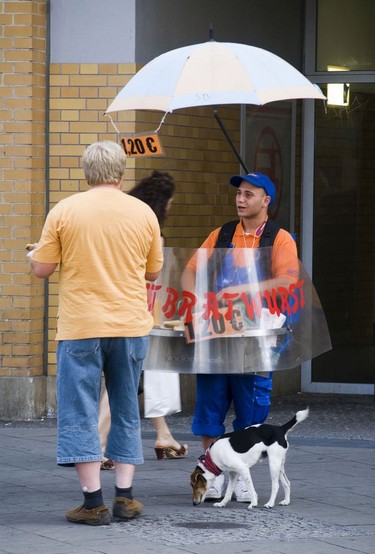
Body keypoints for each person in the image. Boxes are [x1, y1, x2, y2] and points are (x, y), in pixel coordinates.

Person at [28, 141, 163, 526]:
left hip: (81, 326)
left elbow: (42, 269)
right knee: (124, 407)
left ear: (86, 172)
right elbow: (153, 272)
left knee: (79, 411)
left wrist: (35, 253)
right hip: (130, 325)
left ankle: (92, 503)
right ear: (121, 172)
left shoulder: (65, 210)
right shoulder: (144, 213)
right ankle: (126, 498)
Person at [181, 171, 298, 502]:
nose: (240, 199)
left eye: (249, 194)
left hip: (256, 338)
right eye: (238, 193)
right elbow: (191, 269)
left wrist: (244, 289)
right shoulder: (221, 234)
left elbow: (287, 282)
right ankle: (212, 472)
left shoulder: (280, 238)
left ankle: (243, 477)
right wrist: (193, 303)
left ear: (266, 201)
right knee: (210, 405)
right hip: (216, 334)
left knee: (251, 410)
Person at [98, 170, 188, 467]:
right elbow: (154, 275)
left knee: (146, 372)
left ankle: (163, 435)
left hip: (117, 309)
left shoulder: (120, 223)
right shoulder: (151, 230)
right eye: (171, 202)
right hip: (137, 315)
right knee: (124, 379)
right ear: (163, 203)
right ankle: (98, 445)